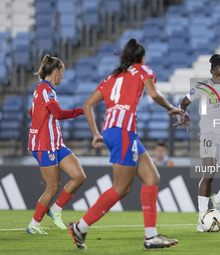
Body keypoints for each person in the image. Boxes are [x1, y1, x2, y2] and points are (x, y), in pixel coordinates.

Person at [68, 39, 180, 250]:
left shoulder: (113, 77)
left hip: (114, 132)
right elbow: (154, 93)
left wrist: (95, 133)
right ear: (142, 58)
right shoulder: (141, 69)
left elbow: (87, 105)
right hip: (123, 133)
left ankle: (151, 236)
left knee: (151, 177)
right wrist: (170, 108)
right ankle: (80, 227)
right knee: (120, 188)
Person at [174, 54, 220, 232]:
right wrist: (184, 114)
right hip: (209, 135)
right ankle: (202, 217)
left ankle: (217, 200)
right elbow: (183, 103)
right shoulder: (200, 87)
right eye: (218, 75)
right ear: (212, 72)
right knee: (209, 175)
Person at [27, 55, 86, 234]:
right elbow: (58, 114)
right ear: (55, 72)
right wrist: (83, 110)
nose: (62, 77)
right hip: (45, 145)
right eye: (62, 73)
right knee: (53, 187)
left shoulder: (41, 90)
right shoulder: (47, 90)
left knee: (79, 176)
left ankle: (56, 210)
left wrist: (41, 123)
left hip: (56, 144)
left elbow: (32, 112)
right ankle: (34, 224)